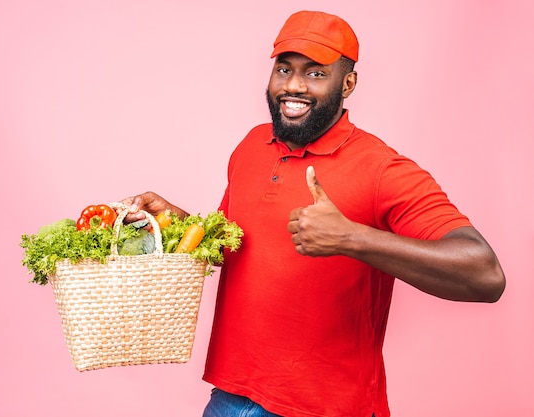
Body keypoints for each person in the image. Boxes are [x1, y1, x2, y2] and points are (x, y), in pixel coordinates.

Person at [120, 10, 506, 417]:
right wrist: (173, 222)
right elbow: (233, 245)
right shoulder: (252, 145)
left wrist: (351, 237)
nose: (293, 85)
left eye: (316, 73)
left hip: (327, 408)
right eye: (284, 68)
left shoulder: (381, 168)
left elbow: (486, 275)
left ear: (349, 83)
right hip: (230, 397)